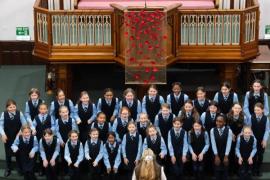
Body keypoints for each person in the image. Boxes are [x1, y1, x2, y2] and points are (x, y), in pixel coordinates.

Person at [0, 99, 28, 177]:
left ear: (16, 106)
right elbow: (0, 125)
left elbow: (24, 124)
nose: (12, 109)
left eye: (13, 107)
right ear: (7, 108)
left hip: (17, 137)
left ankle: (20, 168)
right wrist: (2, 134)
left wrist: (20, 132)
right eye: (10, 107)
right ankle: (8, 168)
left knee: (18, 153)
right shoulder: (4, 114)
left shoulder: (20, 113)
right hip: (8, 137)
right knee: (8, 154)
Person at [55, 106, 78, 174]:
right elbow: (57, 132)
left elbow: (74, 131)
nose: (65, 113)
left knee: (71, 155)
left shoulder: (72, 120)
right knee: (63, 155)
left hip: (71, 140)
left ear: (68, 112)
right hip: (62, 141)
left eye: (66, 112)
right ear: (60, 113)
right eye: (63, 112)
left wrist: (69, 140)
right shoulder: (57, 121)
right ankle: (64, 170)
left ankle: (71, 169)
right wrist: (61, 141)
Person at [249, 102, 269, 176]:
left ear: (262, 110)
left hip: (261, 140)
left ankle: (258, 169)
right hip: (253, 139)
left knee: (260, 155)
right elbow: (249, 129)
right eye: (255, 110)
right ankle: (253, 169)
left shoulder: (266, 118)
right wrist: (253, 139)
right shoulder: (251, 117)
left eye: (258, 110)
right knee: (253, 155)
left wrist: (264, 140)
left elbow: (267, 130)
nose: (256, 112)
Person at [210, 114, 233, 180]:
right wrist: (216, 156)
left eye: (220, 121)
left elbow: (229, 144)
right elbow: (213, 143)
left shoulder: (229, 131)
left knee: (225, 173)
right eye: (217, 121)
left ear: (224, 122)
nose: (218, 123)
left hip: (226, 153)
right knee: (217, 172)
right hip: (216, 153)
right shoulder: (212, 130)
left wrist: (226, 156)